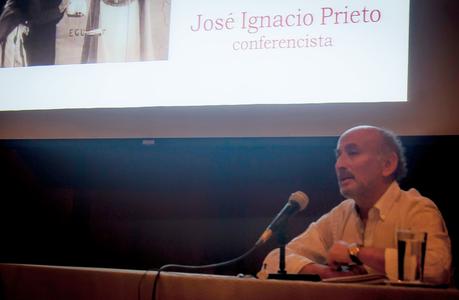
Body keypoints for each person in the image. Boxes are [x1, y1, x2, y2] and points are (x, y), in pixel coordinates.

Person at [257, 125, 451, 284]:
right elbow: (274, 261)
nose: (339, 164)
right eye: (338, 155)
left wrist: (356, 252)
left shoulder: (416, 209)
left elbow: (436, 270)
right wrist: (324, 273)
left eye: (352, 153)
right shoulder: (340, 214)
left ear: (388, 164)